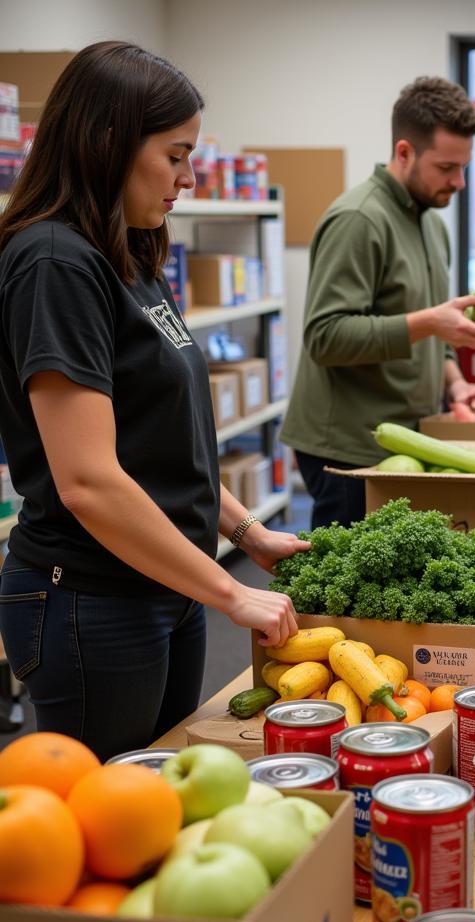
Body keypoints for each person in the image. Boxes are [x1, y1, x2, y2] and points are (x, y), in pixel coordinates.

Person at [0, 42, 306, 762]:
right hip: (90, 600)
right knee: (104, 823)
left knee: (160, 793)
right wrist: (230, 596)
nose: (188, 177)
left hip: (164, 583)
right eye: (174, 155)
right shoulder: (54, 262)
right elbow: (89, 481)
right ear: (106, 143)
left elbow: (161, 442)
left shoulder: (127, 252)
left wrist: (246, 531)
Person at [281, 77, 475, 530]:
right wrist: (430, 323)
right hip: (347, 448)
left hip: (403, 443)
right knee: (348, 598)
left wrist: (455, 381)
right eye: (446, 168)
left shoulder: (431, 224)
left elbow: (429, 326)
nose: (458, 182)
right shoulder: (359, 219)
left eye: (464, 168)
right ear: (404, 152)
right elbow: (325, 337)